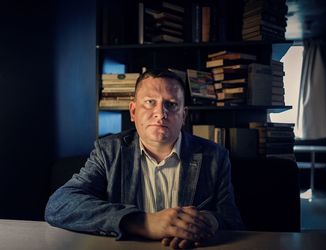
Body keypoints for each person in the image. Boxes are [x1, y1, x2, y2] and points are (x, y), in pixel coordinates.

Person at [45, 69, 244, 249]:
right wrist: (143, 222)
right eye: (150, 102)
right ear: (133, 111)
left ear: (184, 115)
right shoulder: (109, 151)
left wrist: (207, 222)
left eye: (171, 104)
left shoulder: (215, 156)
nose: (160, 113)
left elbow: (232, 220)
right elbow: (59, 205)